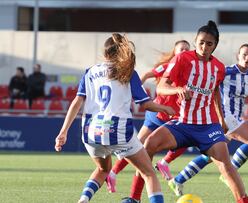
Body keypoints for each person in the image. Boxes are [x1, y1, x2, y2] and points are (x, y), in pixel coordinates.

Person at [122, 20, 248, 203]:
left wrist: (221, 119)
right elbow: (161, 88)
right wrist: (178, 89)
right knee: (149, 144)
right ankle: (135, 198)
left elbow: (215, 92)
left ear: (215, 45)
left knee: (225, 164)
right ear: (196, 41)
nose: (204, 47)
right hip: (182, 123)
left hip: (208, 126)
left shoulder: (219, 68)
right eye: (201, 42)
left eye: (209, 43)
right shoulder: (182, 59)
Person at [54, 33, 175, 203]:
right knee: (148, 173)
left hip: (90, 132)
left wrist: (63, 132)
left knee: (103, 169)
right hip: (117, 129)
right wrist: (166, 108)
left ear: (105, 54)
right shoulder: (128, 72)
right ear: (122, 53)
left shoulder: (90, 72)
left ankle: (83, 200)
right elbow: (146, 104)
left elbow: (76, 102)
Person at [168, 44, 248, 192]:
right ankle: (229, 173)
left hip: (235, 117)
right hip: (225, 116)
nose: (247, 58)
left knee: (211, 155)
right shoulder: (226, 71)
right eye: (244, 54)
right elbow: (209, 85)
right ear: (238, 56)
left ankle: (178, 180)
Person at [105, 40, 190, 195]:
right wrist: (138, 92)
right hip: (158, 113)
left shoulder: (191, 70)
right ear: (175, 52)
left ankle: (164, 162)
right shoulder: (168, 66)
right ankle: (113, 173)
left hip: (173, 115)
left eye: (187, 49)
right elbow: (145, 75)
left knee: (188, 139)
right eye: (181, 49)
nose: (184, 52)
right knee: (137, 147)